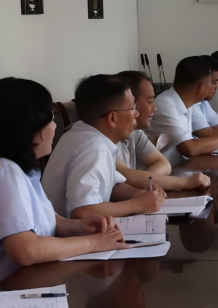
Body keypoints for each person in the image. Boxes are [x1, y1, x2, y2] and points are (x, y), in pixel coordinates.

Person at [0, 78, 129, 294]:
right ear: (29, 126)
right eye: (50, 118)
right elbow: (26, 251)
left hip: (20, 288)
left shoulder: (18, 167)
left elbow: (44, 218)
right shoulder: (0, 172)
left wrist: (79, 227)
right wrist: (94, 243)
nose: (54, 126)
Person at [42, 74, 167, 219]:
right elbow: (82, 212)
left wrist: (139, 194)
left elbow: (112, 185)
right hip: (65, 230)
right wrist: (136, 204)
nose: (136, 114)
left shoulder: (84, 133)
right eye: (132, 109)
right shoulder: (93, 148)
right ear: (112, 117)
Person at [114, 70, 210, 192]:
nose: (154, 108)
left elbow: (164, 164)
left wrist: (143, 180)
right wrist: (185, 182)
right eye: (150, 102)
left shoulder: (136, 134)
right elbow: (127, 176)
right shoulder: (106, 139)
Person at [150, 56, 218, 158]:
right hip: (167, 168)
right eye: (213, 82)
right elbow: (190, 149)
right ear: (201, 86)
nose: (216, 88)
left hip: (179, 166)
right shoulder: (166, 104)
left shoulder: (188, 103)